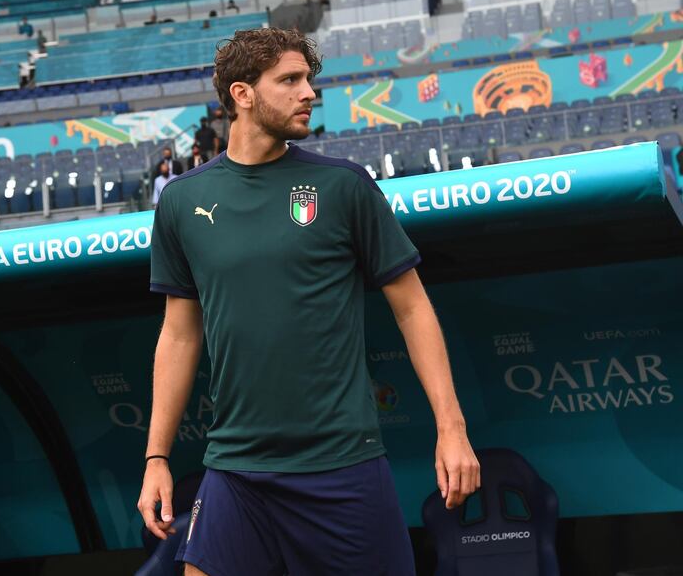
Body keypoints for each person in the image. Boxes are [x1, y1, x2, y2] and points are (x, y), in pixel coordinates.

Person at [138, 28, 480, 576]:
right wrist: (156, 457)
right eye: (290, 80)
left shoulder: (343, 186)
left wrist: (451, 428)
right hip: (236, 468)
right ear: (242, 94)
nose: (309, 93)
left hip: (341, 465)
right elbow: (179, 333)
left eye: (309, 80)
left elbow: (412, 307)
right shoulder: (182, 200)